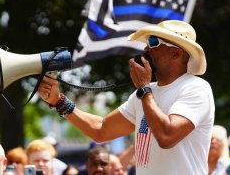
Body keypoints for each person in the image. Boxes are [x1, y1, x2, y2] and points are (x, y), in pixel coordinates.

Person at [38, 20, 215, 175]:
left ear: (176, 54)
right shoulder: (145, 93)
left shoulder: (196, 88)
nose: (146, 48)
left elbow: (167, 136)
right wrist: (58, 101)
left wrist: (144, 89)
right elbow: (101, 129)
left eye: (153, 42)